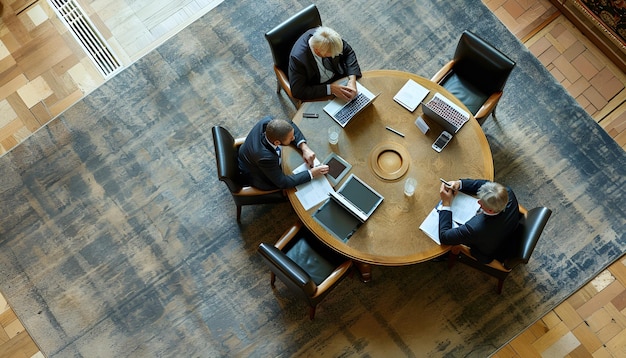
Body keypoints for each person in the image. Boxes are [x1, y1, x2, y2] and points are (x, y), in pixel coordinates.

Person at [438, 179, 520, 263]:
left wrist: (446, 203)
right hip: (508, 230)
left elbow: (444, 237)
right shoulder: (507, 192)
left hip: (487, 252)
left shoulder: (474, 228)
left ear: (490, 210)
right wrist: (459, 184)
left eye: (481, 202)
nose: (478, 201)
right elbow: (485, 185)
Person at [238, 117, 329, 190]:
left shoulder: (268, 122)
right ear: (277, 142)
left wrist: (304, 147)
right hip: (255, 174)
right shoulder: (266, 158)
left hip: (249, 152)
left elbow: (290, 125)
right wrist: (312, 173)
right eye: (290, 138)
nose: (294, 138)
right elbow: (283, 182)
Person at [288, 26, 362, 102]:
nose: (335, 55)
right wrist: (330, 89)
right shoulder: (298, 59)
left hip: (339, 76)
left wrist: (352, 80)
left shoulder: (330, 38)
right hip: (319, 88)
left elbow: (348, 52)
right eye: (331, 54)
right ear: (317, 51)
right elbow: (298, 91)